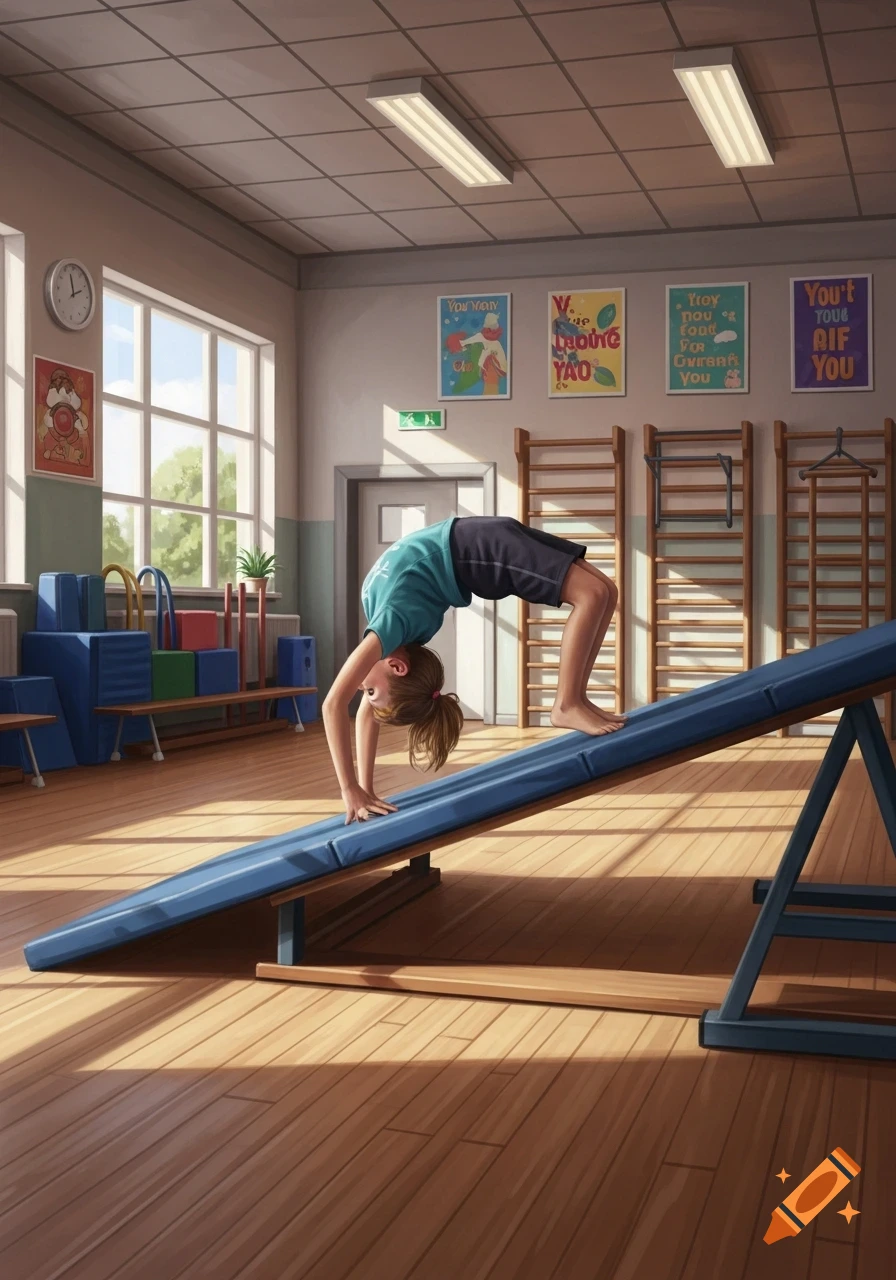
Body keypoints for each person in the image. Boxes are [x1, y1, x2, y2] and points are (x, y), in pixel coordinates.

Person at [322, 516, 624, 824]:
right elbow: (368, 714)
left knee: (598, 594)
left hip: (476, 549)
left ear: (397, 666)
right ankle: (577, 699)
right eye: (370, 692)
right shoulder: (396, 638)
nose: (363, 690)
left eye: (370, 692)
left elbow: (333, 704)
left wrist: (349, 789)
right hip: (479, 539)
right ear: (399, 667)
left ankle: (568, 703)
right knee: (602, 592)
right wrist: (367, 790)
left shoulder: (387, 626)